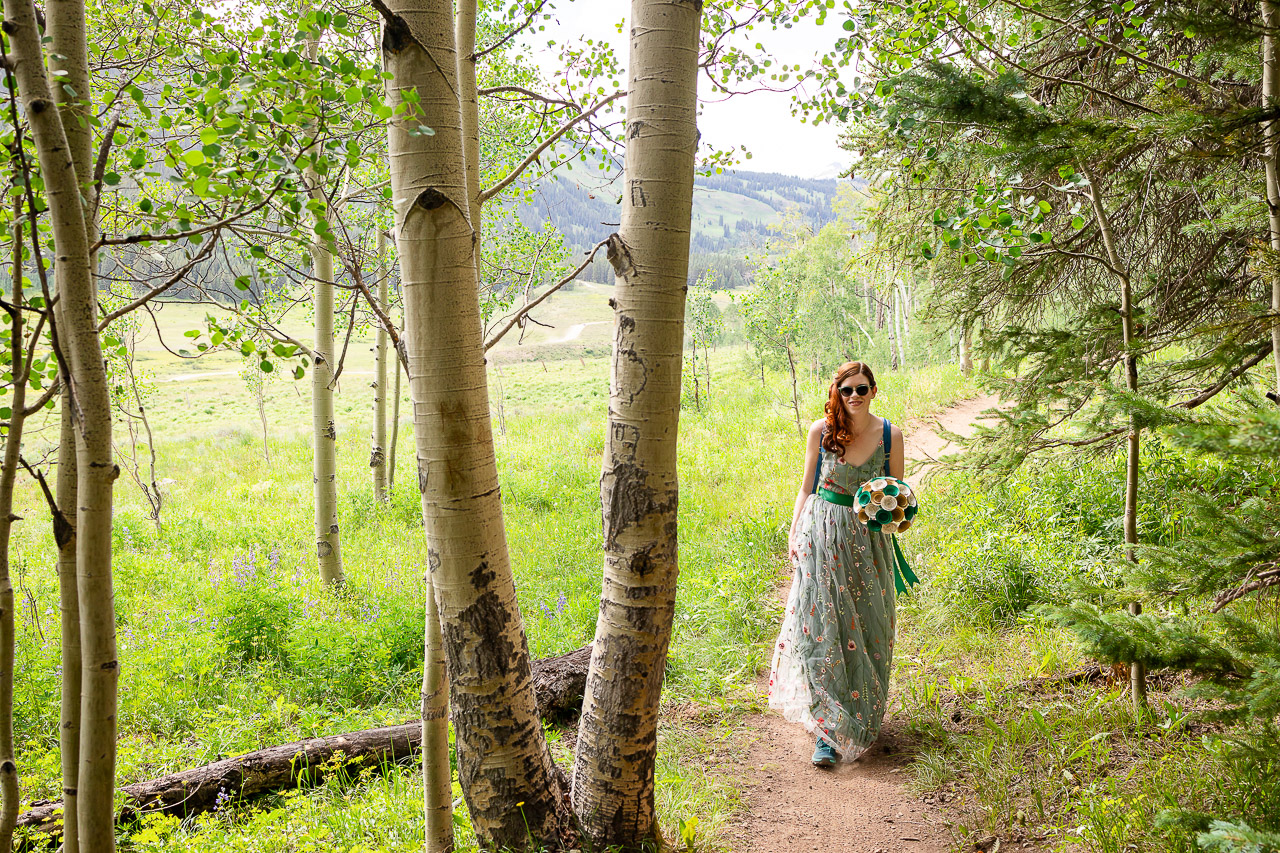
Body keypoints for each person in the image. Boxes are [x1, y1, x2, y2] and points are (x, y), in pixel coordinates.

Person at [767, 361, 905, 767]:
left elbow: (898, 495)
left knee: (866, 624)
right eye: (847, 390)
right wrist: (795, 535)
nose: (854, 397)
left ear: (874, 391)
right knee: (822, 626)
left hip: (867, 542)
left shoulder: (890, 436)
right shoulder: (822, 432)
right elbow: (806, 488)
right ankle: (826, 732)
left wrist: (894, 514)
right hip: (822, 534)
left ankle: (861, 717)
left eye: (861, 389)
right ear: (837, 392)